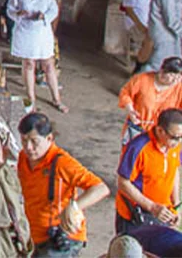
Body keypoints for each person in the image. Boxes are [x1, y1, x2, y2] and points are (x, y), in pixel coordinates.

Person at [18, 112, 109, 257]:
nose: (28, 147)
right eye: (24, 141)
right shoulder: (23, 158)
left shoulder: (62, 163)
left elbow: (100, 188)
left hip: (61, 236)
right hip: (34, 234)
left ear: (49, 138)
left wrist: (74, 207)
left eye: (34, 141)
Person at [116, 107, 182, 256]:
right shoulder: (138, 147)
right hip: (135, 217)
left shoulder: (174, 147)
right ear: (160, 130)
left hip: (162, 213)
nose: (178, 142)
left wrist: (176, 205)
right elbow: (123, 182)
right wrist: (152, 207)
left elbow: (174, 171)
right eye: (174, 137)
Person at [7, 0, 68, 113]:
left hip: (42, 31)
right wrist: (18, 13)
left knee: (48, 65)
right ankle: (31, 99)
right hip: (25, 31)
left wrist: (44, 16)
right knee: (29, 64)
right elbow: (10, 9)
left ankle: (57, 99)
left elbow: (53, 9)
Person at [118, 57, 182, 144]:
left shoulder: (179, 88)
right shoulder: (142, 79)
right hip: (137, 129)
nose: (176, 80)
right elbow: (125, 93)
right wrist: (131, 110)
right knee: (133, 151)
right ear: (162, 72)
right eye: (172, 76)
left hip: (162, 135)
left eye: (179, 77)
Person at [145, 0, 182, 72]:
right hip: (164, 33)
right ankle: (134, 83)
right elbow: (170, 18)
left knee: (175, 64)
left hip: (167, 33)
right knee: (155, 66)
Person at [123, 0, 160, 70]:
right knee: (151, 40)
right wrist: (142, 27)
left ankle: (147, 66)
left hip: (149, 24)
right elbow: (129, 10)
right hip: (134, 24)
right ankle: (139, 67)